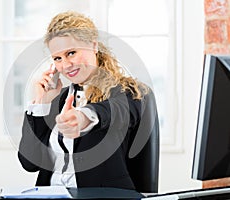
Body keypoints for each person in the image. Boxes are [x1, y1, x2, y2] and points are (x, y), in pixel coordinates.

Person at [18, 11, 151, 190]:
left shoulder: (128, 92)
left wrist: (83, 117)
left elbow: (114, 111)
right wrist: (41, 104)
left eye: (71, 53)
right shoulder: (58, 100)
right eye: (58, 58)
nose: (65, 65)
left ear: (93, 46)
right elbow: (29, 163)